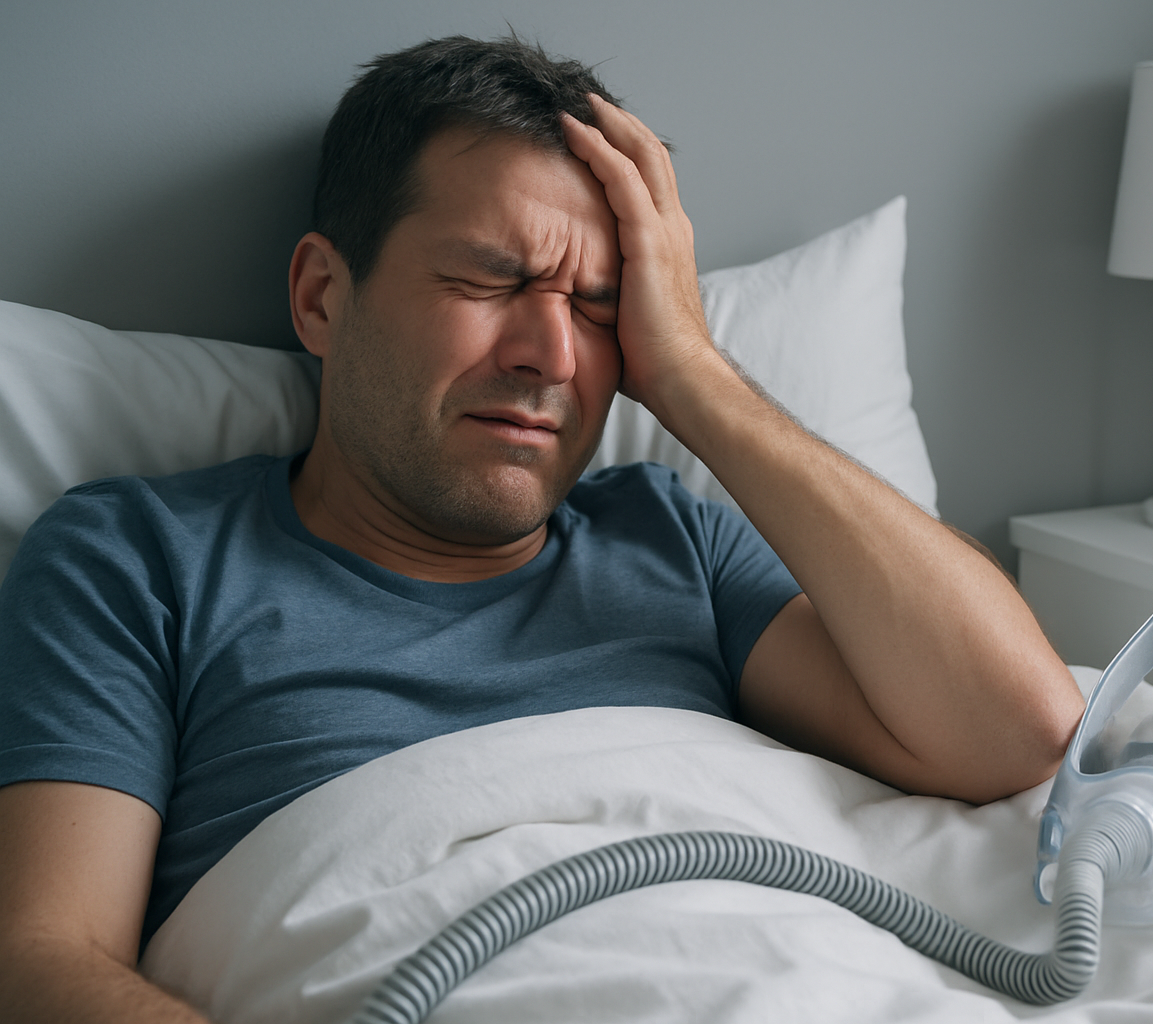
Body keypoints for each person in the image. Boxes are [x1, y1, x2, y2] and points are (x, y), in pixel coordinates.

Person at [0, 35, 1084, 1022]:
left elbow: (1020, 729)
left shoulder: (677, 541)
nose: (551, 356)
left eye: (600, 305)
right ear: (324, 295)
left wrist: (696, 376)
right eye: (490, 278)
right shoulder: (137, 562)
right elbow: (42, 959)